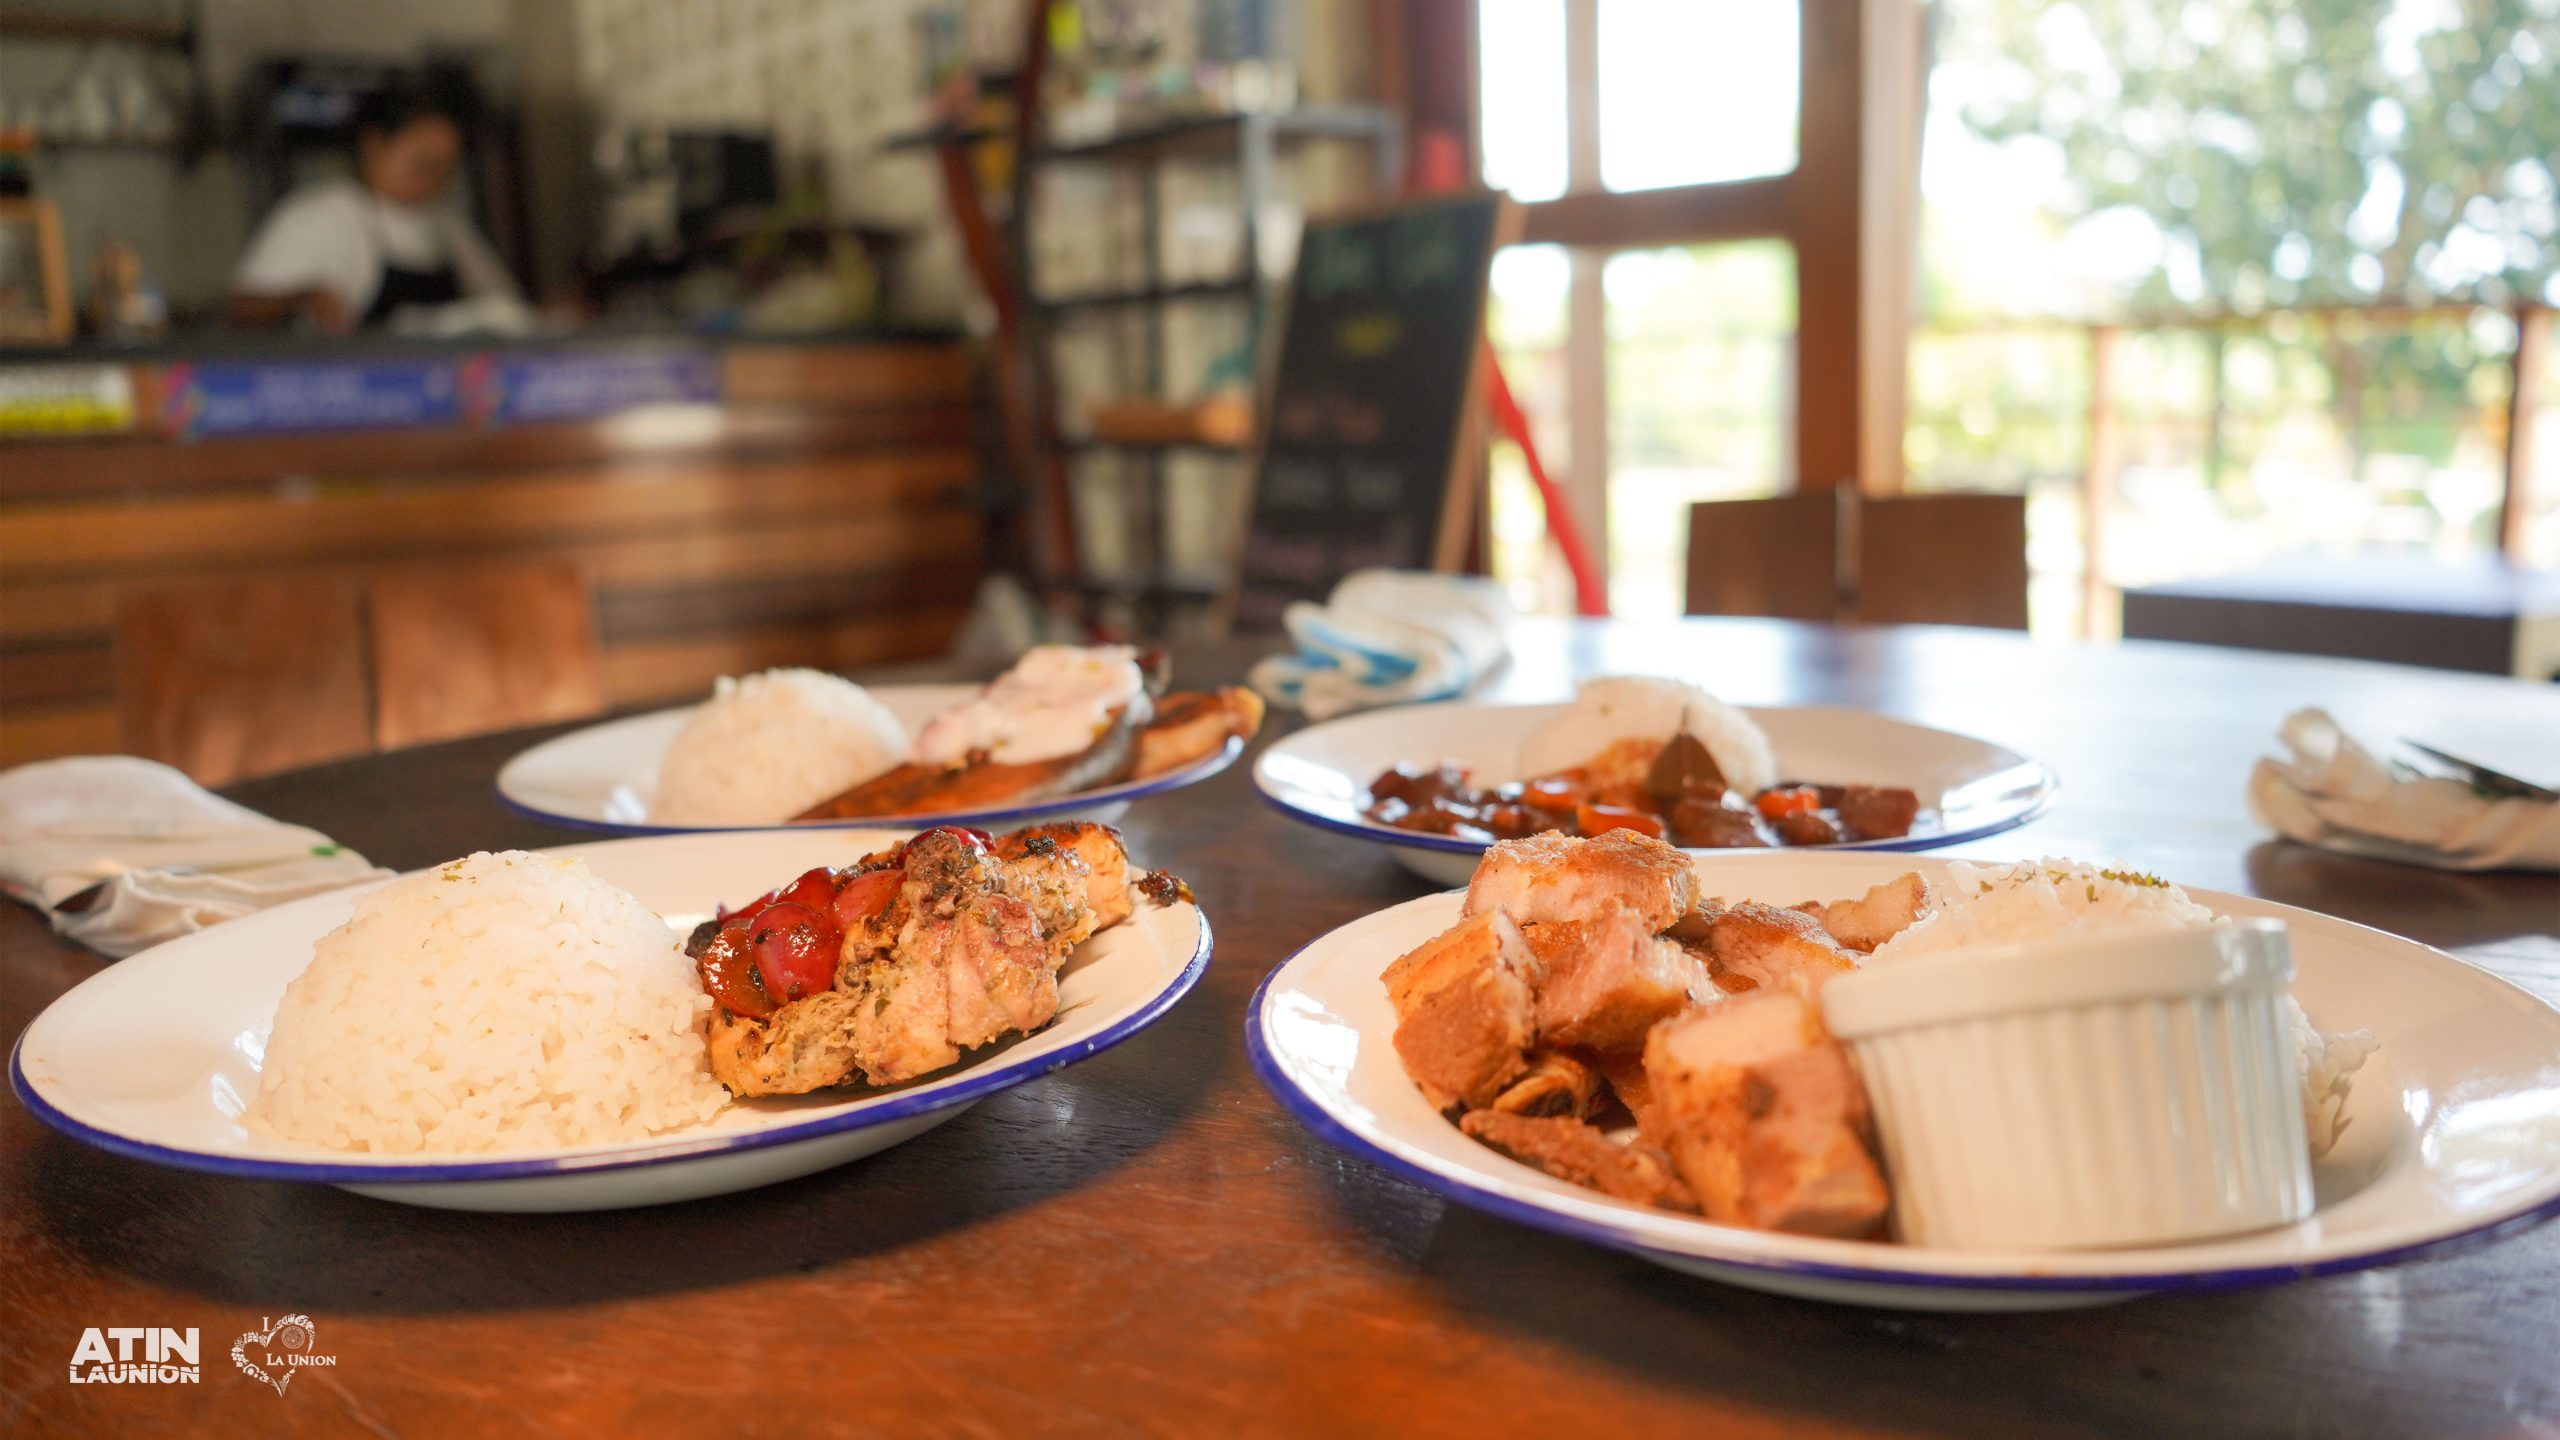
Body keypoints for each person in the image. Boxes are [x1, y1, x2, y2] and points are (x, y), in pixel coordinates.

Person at [228, 87, 528, 335]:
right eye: (423, 165)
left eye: (446, 170)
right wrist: (304, 296)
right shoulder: (327, 213)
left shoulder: (447, 223)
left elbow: (504, 308)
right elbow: (242, 308)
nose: (435, 181)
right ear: (374, 146)